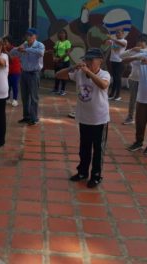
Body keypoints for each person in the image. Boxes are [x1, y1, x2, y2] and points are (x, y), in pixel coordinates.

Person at [56, 48, 111, 188]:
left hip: (100, 119)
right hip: (84, 117)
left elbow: (103, 85)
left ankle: (96, 176)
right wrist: (73, 67)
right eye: (86, 59)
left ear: (100, 61)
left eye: (91, 60)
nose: (87, 62)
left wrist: (89, 73)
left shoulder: (105, 74)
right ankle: (82, 172)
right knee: (84, 147)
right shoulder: (79, 73)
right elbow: (59, 75)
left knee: (98, 149)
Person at [10, 28, 45, 126]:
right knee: (25, 97)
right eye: (27, 35)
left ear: (35, 36)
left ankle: (34, 118)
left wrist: (26, 50)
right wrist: (18, 48)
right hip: (24, 73)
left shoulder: (39, 45)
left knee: (34, 97)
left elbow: (41, 53)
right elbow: (12, 53)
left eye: (30, 35)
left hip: (34, 73)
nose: (28, 37)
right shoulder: (23, 45)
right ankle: (26, 117)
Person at [120, 33, 147, 125]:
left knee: (143, 100)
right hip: (133, 79)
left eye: (142, 42)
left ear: (146, 43)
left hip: (145, 80)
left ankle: (142, 117)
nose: (139, 44)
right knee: (133, 99)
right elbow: (121, 56)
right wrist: (132, 50)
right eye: (138, 42)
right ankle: (130, 117)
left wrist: (141, 51)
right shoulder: (134, 51)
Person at [106, 29, 127, 101]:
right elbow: (107, 43)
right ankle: (112, 94)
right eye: (117, 33)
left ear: (123, 34)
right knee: (114, 78)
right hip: (113, 61)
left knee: (118, 78)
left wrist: (112, 39)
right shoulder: (113, 41)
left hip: (120, 62)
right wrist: (108, 40)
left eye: (119, 33)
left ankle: (117, 95)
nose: (118, 34)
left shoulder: (124, 41)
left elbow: (123, 45)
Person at [52, 29, 72, 96]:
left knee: (64, 76)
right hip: (57, 62)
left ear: (66, 35)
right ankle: (56, 89)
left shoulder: (67, 42)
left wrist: (59, 59)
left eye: (63, 33)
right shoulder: (57, 42)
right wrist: (54, 57)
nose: (61, 35)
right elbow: (54, 51)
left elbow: (68, 52)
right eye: (60, 33)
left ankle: (62, 90)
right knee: (57, 75)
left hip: (65, 61)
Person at [3, 35, 21, 107]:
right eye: (3, 42)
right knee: (7, 85)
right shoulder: (4, 50)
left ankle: (15, 100)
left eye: (5, 42)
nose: (4, 44)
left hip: (15, 71)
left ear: (10, 42)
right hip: (7, 71)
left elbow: (11, 59)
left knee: (14, 85)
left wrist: (6, 51)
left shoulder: (14, 50)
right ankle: (7, 98)